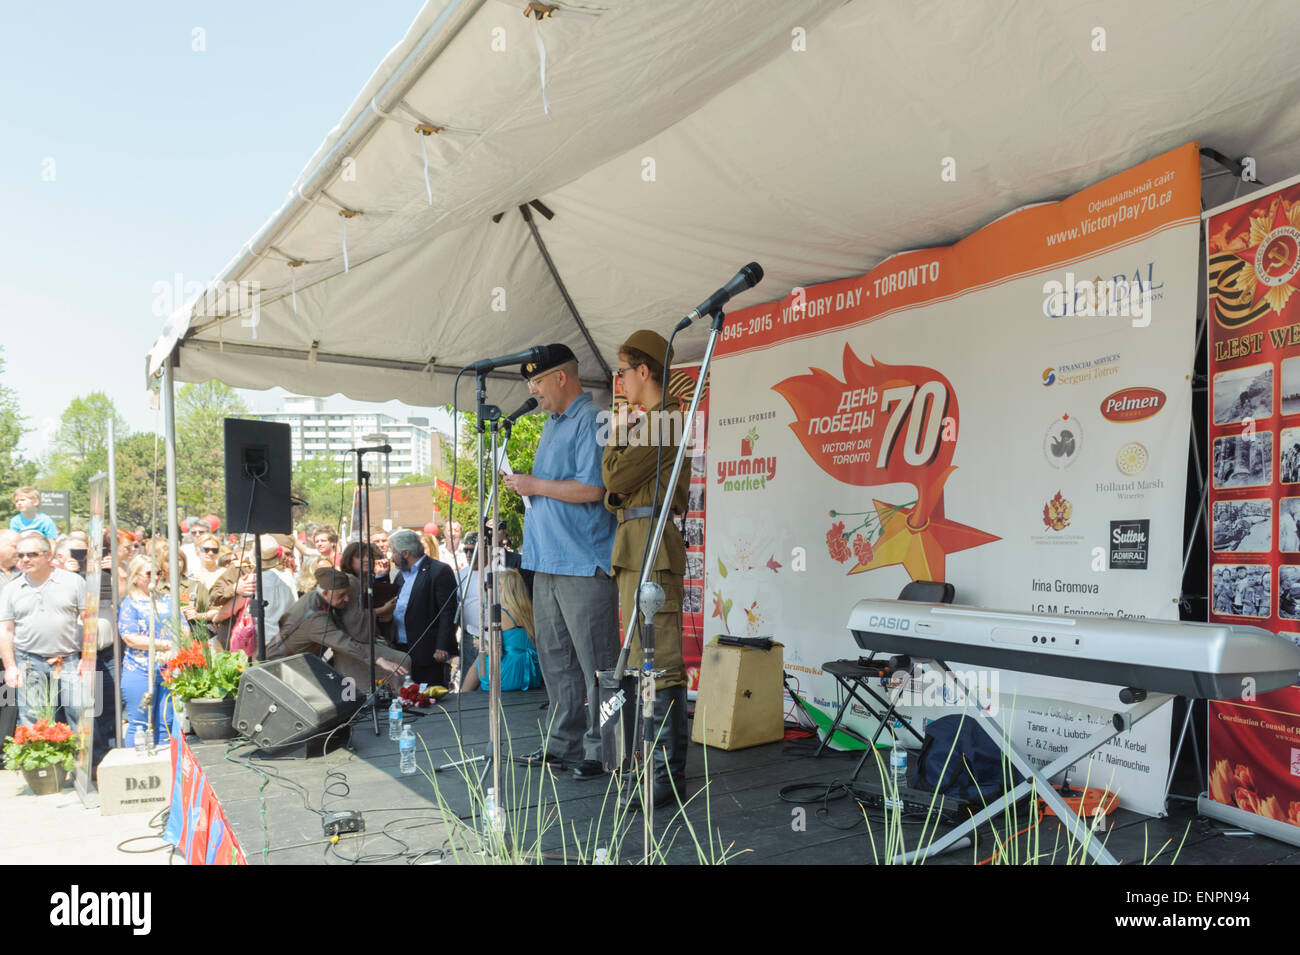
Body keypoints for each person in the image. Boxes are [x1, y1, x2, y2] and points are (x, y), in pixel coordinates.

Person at [502, 343, 618, 780]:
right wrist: (526, 486)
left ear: (561, 378)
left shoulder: (593, 420)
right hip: (546, 559)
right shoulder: (551, 424)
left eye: (536, 381)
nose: (533, 390)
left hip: (583, 560)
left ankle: (603, 748)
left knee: (597, 664)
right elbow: (550, 487)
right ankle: (562, 742)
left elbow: (594, 489)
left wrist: (536, 484)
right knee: (555, 659)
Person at [601, 329, 692, 806]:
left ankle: (666, 778)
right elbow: (612, 491)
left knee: (663, 664)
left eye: (622, 370)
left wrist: (617, 440)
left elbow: (614, 477)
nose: (619, 381)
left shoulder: (668, 421)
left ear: (643, 370)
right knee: (640, 662)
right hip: (636, 545)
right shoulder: (646, 422)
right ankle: (647, 767)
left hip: (654, 546)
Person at [271, 567, 409, 690]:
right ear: (325, 593)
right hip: (280, 665)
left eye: (348, 594)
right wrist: (379, 660)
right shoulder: (315, 618)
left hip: (295, 662)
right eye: (341, 595)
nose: (347, 599)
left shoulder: (317, 597)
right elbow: (344, 643)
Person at [0, 532, 87, 728]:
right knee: (32, 720)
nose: (25, 560)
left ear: (48, 556)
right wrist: (10, 666)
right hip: (28, 662)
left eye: (31, 554)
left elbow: (88, 620)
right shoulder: (11, 589)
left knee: (80, 715)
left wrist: (86, 658)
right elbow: (5, 630)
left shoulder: (73, 582)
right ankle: (41, 758)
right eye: (20, 555)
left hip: (69, 660)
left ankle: (79, 759)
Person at [117, 556, 183, 746]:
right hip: (139, 669)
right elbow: (130, 637)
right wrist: (166, 644)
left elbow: (184, 627)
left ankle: (168, 767)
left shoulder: (169, 599)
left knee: (168, 722)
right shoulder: (129, 603)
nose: (154, 578)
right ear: (136, 577)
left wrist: (176, 645)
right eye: (149, 573)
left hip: (168, 669)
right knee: (139, 723)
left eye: (158, 573)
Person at [388, 528, 458, 686]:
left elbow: (448, 612)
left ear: (405, 553)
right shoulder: (400, 576)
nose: (392, 558)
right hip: (402, 650)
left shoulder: (439, 571)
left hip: (429, 653)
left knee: (429, 699)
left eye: (394, 552)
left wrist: (442, 645)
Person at [463, 569, 542, 693]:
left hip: (508, 675)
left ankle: (463, 695)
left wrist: (480, 645)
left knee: (481, 657)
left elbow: (496, 653)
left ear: (499, 587)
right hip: (532, 672)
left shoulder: (498, 613)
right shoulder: (529, 611)